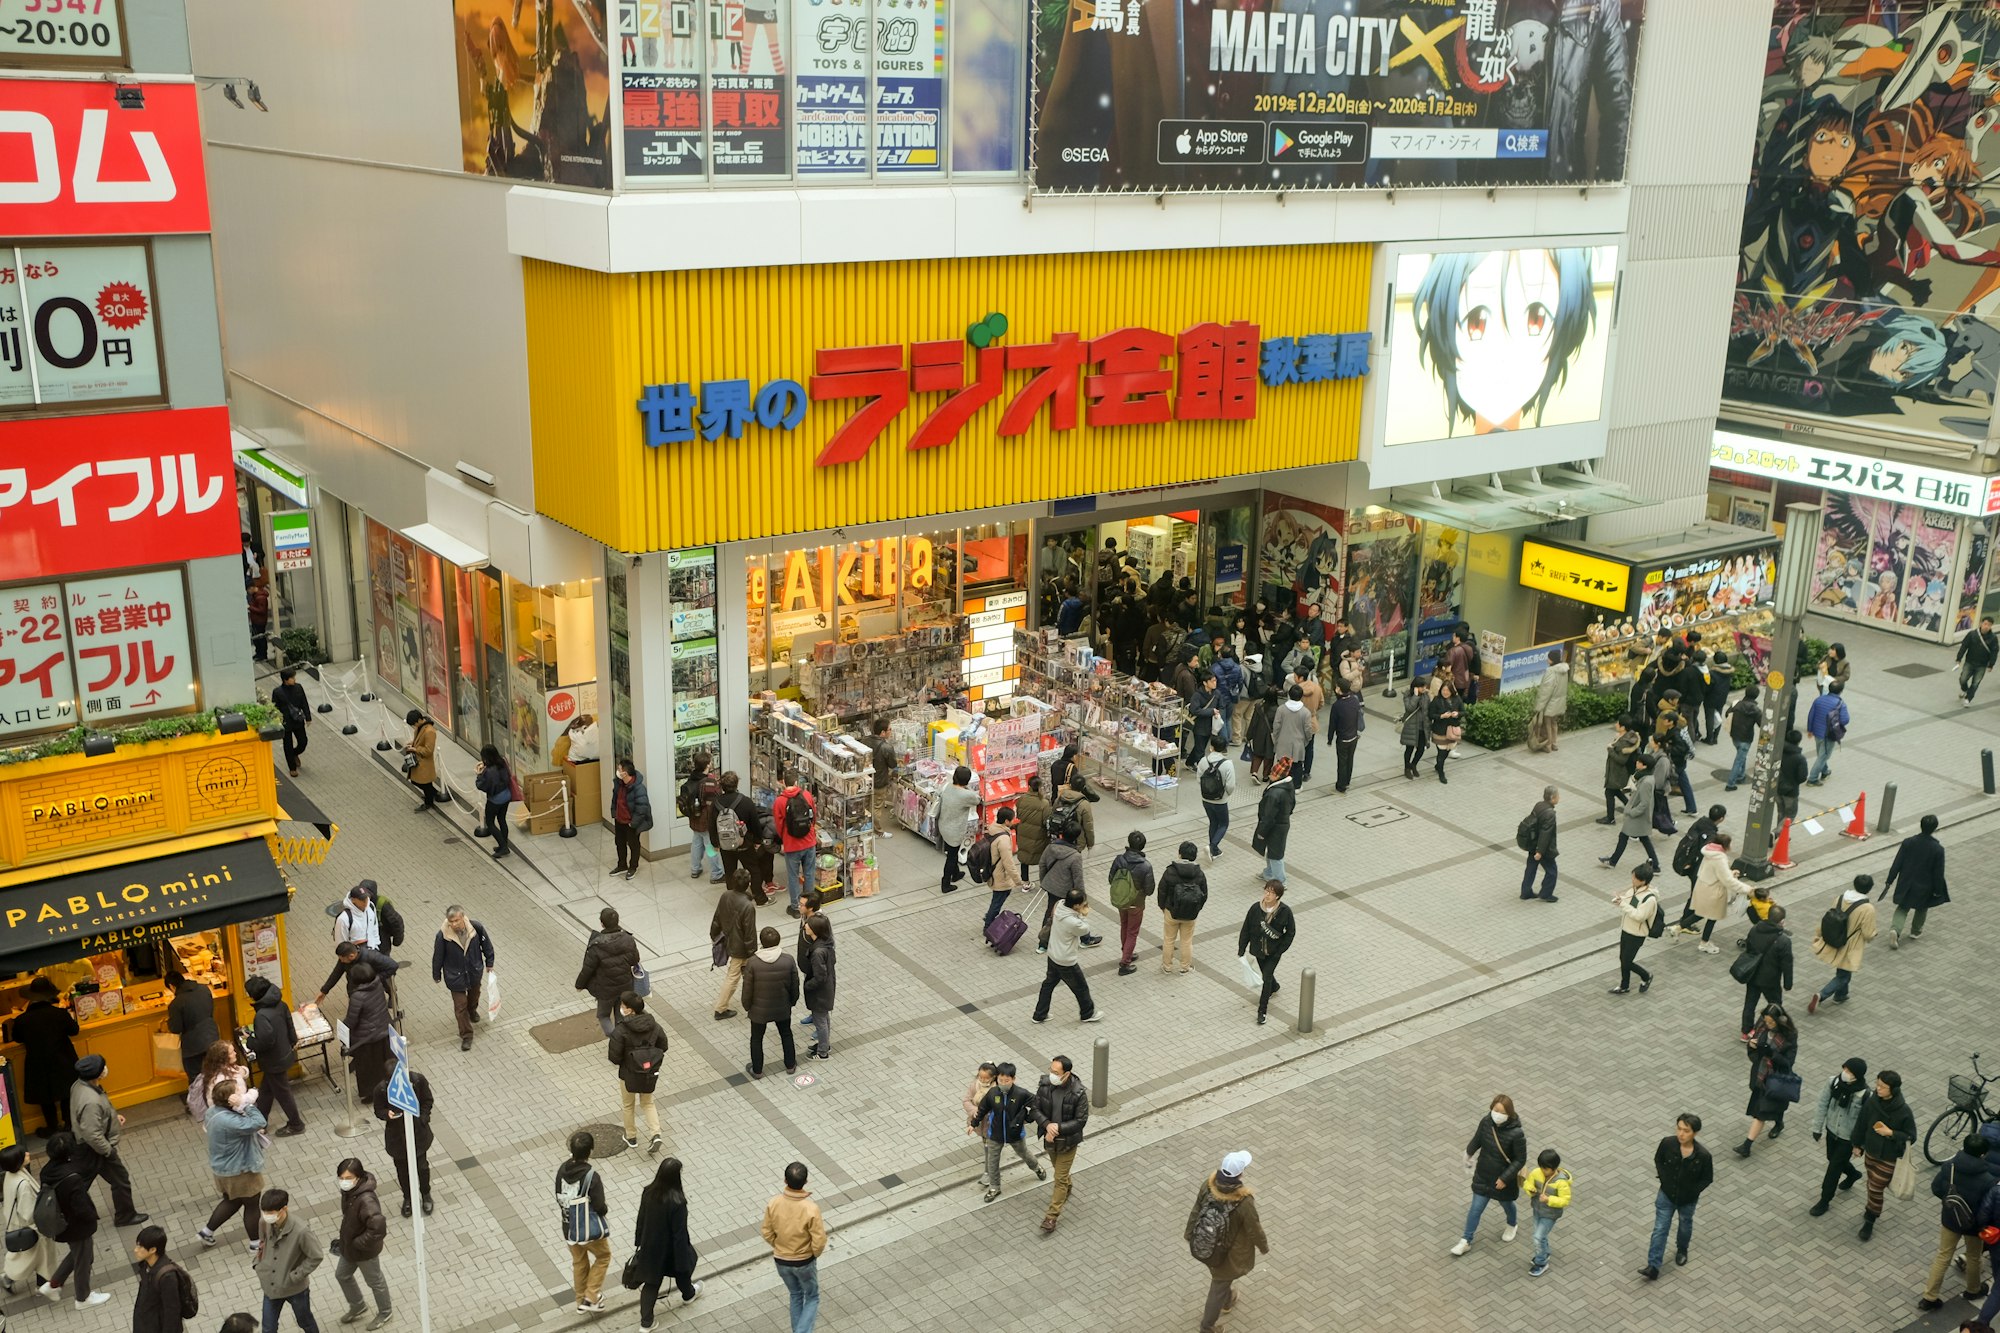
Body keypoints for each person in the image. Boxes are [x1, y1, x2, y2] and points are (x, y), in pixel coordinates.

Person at [1187, 1150, 1269, 1331]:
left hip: (1205, 1243)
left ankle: (1228, 1299)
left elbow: (1196, 1210)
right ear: (1240, 1174)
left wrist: (1190, 1235)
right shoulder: (1243, 1201)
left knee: (1222, 1280)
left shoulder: (1207, 1186)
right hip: (1227, 1253)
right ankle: (1207, 1327)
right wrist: (1263, 1246)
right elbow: (1254, 1228)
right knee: (1218, 1286)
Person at [1918, 1135, 1996, 1310]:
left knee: (1943, 1255)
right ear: (1983, 1154)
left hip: (1950, 1218)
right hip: (1974, 1225)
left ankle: (1929, 1298)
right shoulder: (1987, 1180)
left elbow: (1936, 1188)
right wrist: (1982, 1224)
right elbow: (1987, 1209)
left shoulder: (1949, 1167)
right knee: (1974, 1256)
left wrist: (1950, 1204)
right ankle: (1973, 1289)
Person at [68, 1054, 145, 1225]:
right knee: (120, 1178)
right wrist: (107, 1151)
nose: (105, 1069)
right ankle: (125, 1216)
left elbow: (92, 1118)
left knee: (81, 1183)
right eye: (103, 1067)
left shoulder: (79, 1085)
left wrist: (112, 1117)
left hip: (85, 1147)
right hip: (95, 1149)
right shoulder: (91, 1101)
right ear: (96, 1074)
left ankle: (68, 1213)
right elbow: (92, 1133)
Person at [632, 1157, 702, 1329]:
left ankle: (646, 1323)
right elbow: (679, 1234)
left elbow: (641, 1218)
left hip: (651, 1246)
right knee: (683, 1272)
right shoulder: (678, 1201)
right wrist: (681, 1259)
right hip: (670, 1249)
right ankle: (688, 1294)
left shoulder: (648, 1192)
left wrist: (639, 1240)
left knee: (652, 1283)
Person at [1642, 1113, 1714, 1278]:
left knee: (1684, 1225)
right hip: (1666, 1195)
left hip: (1687, 1200)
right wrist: (1664, 1179)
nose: (1681, 1134)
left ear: (1695, 1133)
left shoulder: (1703, 1155)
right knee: (1660, 1229)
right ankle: (1653, 1266)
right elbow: (1658, 1159)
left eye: (1686, 1131)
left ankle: (1682, 1248)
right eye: (1679, 1129)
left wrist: (1693, 1191)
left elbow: (1707, 1178)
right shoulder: (1668, 1143)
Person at [1452, 1094, 1526, 1255]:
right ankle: (1466, 1240)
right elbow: (1477, 1139)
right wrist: (1468, 1154)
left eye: (1501, 1111)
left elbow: (1520, 1160)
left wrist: (1505, 1178)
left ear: (1509, 1113)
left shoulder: (1517, 1133)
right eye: (1495, 1109)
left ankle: (1512, 1224)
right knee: (1475, 1209)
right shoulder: (1486, 1122)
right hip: (1484, 1175)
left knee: (1507, 1204)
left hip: (1502, 1179)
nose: (1497, 1114)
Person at [196, 1079, 266, 1248]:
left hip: (223, 1169)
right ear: (230, 1098)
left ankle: (207, 1232)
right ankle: (256, 1243)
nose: (242, 1093)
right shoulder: (229, 1121)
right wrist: (245, 1105)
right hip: (240, 1170)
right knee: (251, 1203)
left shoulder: (213, 1111)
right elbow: (259, 1122)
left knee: (232, 1200)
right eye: (238, 1091)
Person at [1852, 1069, 1918, 1241]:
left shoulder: (1904, 1110)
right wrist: (1857, 1144)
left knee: (1875, 1187)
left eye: (1882, 1086)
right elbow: (1862, 1122)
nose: (1878, 1088)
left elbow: (1911, 1136)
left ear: (1893, 1089)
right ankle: (1871, 1209)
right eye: (1877, 1084)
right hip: (1872, 1152)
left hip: (1889, 1157)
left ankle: (1870, 1219)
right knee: (1872, 1184)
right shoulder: (1873, 1101)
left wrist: (1892, 1133)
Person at [762, 1168, 830, 1333]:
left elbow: (767, 1232)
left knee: (795, 1294)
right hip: (804, 1261)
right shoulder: (810, 1208)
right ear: (805, 1182)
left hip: (781, 1260)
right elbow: (819, 1240)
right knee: (812, 1297)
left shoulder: (774, 1203)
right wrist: (813, 1253)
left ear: (785, 1180)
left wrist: (779, 1246)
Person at [328, 1159, 391, 1330]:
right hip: (349, 1247)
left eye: (348, 1177)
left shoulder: (366, 1200)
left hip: (364, 1251)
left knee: (375, 1281)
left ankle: (385, 1312)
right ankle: (358, 1305)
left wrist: (358, 1242)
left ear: (359, 1177)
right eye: (341, 1177)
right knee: (342, 1275)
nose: (344, 1181)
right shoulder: (350, 1192)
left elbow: (378, 1228)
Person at [970, 1063, 1046, 1203]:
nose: (1003, 1083)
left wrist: (1028, 1118)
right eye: (1000, 1080)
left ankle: (1037, 1167)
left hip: (1015, 1133)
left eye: (1007, 1081)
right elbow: (982, 1110)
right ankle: (994, 1187)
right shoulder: (992, 1093)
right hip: (995, 1133)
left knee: (1024, 1153)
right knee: (993, 1161)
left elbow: (1037, 1104)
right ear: (996, 1078)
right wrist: (973, 1124)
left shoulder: (1021, 1093)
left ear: (1013, 1079)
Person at [12, 977, 79, 1135]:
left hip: (37, 1062)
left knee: (45, 1096)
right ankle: (69, 1123)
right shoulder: (59, 1014)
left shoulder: (22, 1020)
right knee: (66, 1091)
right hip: (62, 1058)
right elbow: (74, 1030)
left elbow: (17, 1037)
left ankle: (52, 1126)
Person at [1032, 1055, 1090, 1233]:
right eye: (1051, 1070)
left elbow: (1080, 1121)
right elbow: (1035, 1109)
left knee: (1058, 1178)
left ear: (1067, 1073)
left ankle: (1052, 1216)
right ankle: (1067, 1185)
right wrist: (1047, 1125)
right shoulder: (1045, 1086)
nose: (1052, 1075)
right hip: (1050, 1140)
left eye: (1056, 1072)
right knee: (1060, 1173)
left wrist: (1058, 1128)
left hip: (1067, 1142)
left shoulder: (1078, 1093)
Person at [1808, 874, 1879, 1015]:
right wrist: (1873, 934)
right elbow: (1867, 933)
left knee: (1843, 969)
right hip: (1850, 944)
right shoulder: (1867, 908)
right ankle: (1821, 995)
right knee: (1844, 976)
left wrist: (1819, 933)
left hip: (1834, 938)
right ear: (1869, 889)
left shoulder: (1840, 898)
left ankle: (1840, 995)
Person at [556, 1132, 611, 1313]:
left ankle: (581, 1300)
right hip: (588, 1229)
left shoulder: (562, 1170)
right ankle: (591, 1295)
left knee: (579, 1262)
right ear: (591, 1151)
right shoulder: (591, 1176)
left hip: (568, 1227)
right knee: (603, 1257)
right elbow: (600, 1206)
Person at [252, 1188, 321, 1332]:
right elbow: (262, 1244)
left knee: (305, 1322)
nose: (266, 1216)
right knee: (268, 1328)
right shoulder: (263, 1222)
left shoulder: (301, 1231)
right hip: (270, 1286)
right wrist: (258, 1264)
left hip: (295, 1288)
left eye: (270, 1213)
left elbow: (316, 1256)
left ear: (284, 1209)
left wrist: (295, 1276)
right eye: (264, 1212)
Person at [1735, 1003, 1799, 1156]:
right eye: (1766, 1021)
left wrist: (1771, 1054)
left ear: (1780, 1020)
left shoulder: (1789, 1036)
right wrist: (1752, 1045)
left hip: (1776, 1077)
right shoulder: (1762, 1027)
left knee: (1760, 1113)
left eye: (1771, 1022)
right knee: (1770, 1104)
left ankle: (1747, 1146)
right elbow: (1754, 1047)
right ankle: (1779, 1122)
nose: (1768, 1024)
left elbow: (1788, 1062)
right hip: (1760, 1074)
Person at [240, 978, 302, 1135]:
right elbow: (290, 1025)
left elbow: (265, 1041)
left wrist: (250, 1041)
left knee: (283, 1094)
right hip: (284, 1054)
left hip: (273, 1060)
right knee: (266, 1090)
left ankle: (296, 1124)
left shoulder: (261, 1015)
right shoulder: (281, 1004)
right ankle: (261, 1122)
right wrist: (293, 1042)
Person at [1808, 1057, 1869, 1216]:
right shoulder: (1833, 1083)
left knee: (1833, 1169)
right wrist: (1817, 1127)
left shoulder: (1865, 1094)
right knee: (1831, 1158)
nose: (1845, 1073)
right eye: (1845, 1069)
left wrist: (1859, 1146)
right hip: (1832, 1131)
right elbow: (1822, 1104)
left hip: (1848, 1139)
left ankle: (1824, 1200)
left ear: (1857, 1075)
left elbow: (1865, 1122)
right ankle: (1853, 1174)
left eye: (1849, 1071)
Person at [608, 991, 667, 1153]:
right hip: (648, 1072)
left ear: (630, 1010)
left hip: (628, 1074)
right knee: (648, 1103)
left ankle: (631, 1136)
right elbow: (664, 1045)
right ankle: (656, 1134)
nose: (621, 1008)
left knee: (628, 1105)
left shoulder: (621, 1030)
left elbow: (614, 1057)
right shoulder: (654, 1025)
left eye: (623, 1006)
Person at [432, 904, 495, 1053]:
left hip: (473, 971)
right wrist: (436, 974)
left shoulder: (476, 928)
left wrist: (489, 962)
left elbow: (487, 945)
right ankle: (466, 1035)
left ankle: (472, 1010)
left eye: (456, 921)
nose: (453, 924)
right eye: (450, 921)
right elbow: (438, 956)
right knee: (460, 1007)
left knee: (474, 996)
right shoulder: (442, 936)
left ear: (463, 917)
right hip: (455, 976)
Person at [1880, 814, 1949, 947]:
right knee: (1922, 908)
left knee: (1903, 908)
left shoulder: (1908, 842)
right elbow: (1938, 873)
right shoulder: (1938, 849)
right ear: (1935, 828)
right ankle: (1915, 931)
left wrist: (1890, 880)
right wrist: (1938, 890)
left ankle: (1895, 929)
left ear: (1920, 825)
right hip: (1925, 885)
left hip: (1906, 882)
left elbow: (1897, 863)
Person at [1033, 889, 1101, 1024]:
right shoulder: (1073, 922)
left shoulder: (1059, 905)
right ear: (1076, 906)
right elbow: (1085, 929)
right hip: (1066, 960)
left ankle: (1039, 1014)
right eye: (1083, 904)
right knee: (1081, 987)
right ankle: (1087, 1013)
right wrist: (1083, 915)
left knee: (1048, 984)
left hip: (1053, 954)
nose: (1085, 906)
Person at [373, 1066, 433, 1218]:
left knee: (422, 1167)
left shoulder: (417, 1081)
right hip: (396, 1137)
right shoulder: (381, 1090)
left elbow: (427, 1100)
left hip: (418, 1133)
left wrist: (423, 1118)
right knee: (402, 1170)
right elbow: (378, 1110)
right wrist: (387, 1114)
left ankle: (425, 1193)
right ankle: (408, 1197)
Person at [742, 926, 799, 1079]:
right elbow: (795, 984)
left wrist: (747, 1006)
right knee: (786, 1034)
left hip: (759, 1010)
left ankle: (758, 1070)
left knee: (756, 1038)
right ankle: (790, 1064)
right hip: (782, 1007)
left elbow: (747, 988)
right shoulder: (788, 960)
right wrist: (792, 1002)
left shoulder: (753, 963)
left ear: (761, 942)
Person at [1238, 880, 1296, 1026]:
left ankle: (1262, 1011)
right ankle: (1274, 987)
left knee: (1266, 976)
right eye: (1266, 891)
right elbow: (1246, 929)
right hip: (1258, 950)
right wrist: (1241, 948)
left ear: (1277, 896)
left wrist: (1281, 949)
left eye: (1271, 892)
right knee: (1266, 973)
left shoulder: (1285, 911)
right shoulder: (1255, 909)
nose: (1267, 895)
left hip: (1274, 951)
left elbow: (1290, 932)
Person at [577, 906, 642, 1036]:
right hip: (625, 985)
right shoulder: (628, 938)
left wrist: (579, 985)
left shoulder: (597, 944)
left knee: (603, 1015)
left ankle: (616, 1040)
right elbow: (635, 960)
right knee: (621, 1014)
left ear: (602, 923)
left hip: (605, 989)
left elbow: (588, 969)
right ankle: (622, 1037)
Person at [1682, 829, 1747, 953]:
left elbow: (1717, 872)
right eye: (1730, 843)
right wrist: (1747, 889)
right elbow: (1727, 880)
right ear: (1724, 845)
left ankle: (1678, 927)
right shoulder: (1720, 858)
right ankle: (1704, 943)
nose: (1732, 846)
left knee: (1702, 914)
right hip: (1715, 891)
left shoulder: (1710, 853)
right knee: (1712, 917)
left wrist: (1730, 873)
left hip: (1705, 888)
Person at [1738, 904, 1795, 1039]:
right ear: (1781, 921)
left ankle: (1746, 1032)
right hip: (1771, 979)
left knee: (1750, 1003)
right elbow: (1787, 964)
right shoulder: (1783, 941)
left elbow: (1749, 950)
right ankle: (1772, 1029)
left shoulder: (1754, 930)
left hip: (1753, 974)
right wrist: (1788, 983)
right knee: (1775, 1005)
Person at [343, 962, 392, 1110]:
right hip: (383, 1030)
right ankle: (389, 1089)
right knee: (383, 1064)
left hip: (366, 1037)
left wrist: (343, 1031)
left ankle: (372, 1094)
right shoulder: (377, 984)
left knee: (369, 1069)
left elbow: (352, 1020)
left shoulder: (358, 996)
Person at [1599, 755, 1661, 873]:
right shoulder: (1644, 777)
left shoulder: (1646, 782)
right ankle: (1655, 865)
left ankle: (1613, 861)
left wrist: (1631, 813)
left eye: (1639, 762)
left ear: (1644, 765)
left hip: (1638, 817)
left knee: (1625, 836)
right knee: (1642, 839)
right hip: (1638, 817)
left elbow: (1644, 803)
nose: (1636, 763)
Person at [1107, 831, 1155, 976]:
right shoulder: (1146, 866)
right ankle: (1125, 962)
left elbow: (1111, 879)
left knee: (1125, 926)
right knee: (1132, 932)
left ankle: (1126, 951)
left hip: (1121, 900)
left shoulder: (1119, 859)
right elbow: (1150, 889)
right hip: (1136, 903)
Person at [1520, 1148, 1573, 1279]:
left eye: (1545, 1169)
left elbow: (1565, 1200)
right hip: (1537, 1209)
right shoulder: (1536, 1173)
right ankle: (1545, 1252)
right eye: (1541, 1167)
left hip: (1550, 1214)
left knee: (1537, 1237)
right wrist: (1530, 1190)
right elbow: (1527, 1183)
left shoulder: (1561, 1182)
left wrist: (1549, 1199)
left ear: (1553, 1168)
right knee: (1541, 1236)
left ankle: (1541, 1262)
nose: (1543, 1171)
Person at [1158, 839, 1208, 974]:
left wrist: (1163, 907)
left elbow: (1162, 891)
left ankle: (1167, 966)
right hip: (1190, 913)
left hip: (1171, 911)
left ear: (1179, 854)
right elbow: (1204, 895)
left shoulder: (1170, 871)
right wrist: (1196, 908)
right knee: (1186, 941)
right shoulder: (1199, 873)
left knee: (1169, 939)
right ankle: (1184, 967)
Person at [130, 1224, 191, 1333]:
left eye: (140, 1247)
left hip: (156, 1326)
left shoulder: (167, 1276)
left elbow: (172, 1311)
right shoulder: (145, 1265)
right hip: (145, 1321)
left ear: (153, 1249)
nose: (135, 1250)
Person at [772, 773, 819, 913]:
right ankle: (809, 905)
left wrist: (783, 838)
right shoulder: (807, 795)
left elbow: (779, 824)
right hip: (809, 841)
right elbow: (814, 816)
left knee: (793, 876)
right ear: (797, 782)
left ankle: (796, 907)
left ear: (783, 783)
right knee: (809, 873)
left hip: (791, 844)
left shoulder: (779, 801)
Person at [1609, 865, 1659, 995]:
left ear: (1643, 881)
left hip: (1636, 933)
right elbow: (1628, 903)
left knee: (1627, 961)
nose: (1632, 879)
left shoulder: (1650, 899)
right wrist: (1620, 900)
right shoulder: (1634, 889)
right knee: (1623, 958)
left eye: (1635, 878)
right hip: (1626, 929)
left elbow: (1639, 916)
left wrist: (1622, 904)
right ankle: (1624, 985)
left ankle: (1646, 976)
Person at [164, 970, 221, 1084]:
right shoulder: (204, 989)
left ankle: (200, 1100)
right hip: (212, 1036)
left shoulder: (176, 1004)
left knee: (196, 1079)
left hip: (193, 1046)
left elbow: (176, 1028)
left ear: (171, 986)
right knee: (216, 1073)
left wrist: (168, 1023)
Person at [675, 750, 724, 882]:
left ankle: (695, 869)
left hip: (694, 817)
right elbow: (715, 800)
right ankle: (717, 873)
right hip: (705, 819)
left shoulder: (692, 778)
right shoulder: (707, 782)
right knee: (710, 846)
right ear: (707, 765)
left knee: (697, 843)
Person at [1252, 756, 1296, 884]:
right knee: (1273, 851)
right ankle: (1269, 873)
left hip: (1274, 826)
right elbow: (1292, 804)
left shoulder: (1274, 793)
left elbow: (1268, 816)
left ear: (1279, 776)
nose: (1270, 775)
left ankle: (1281, 881)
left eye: (1273, 773)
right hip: (1282, 824)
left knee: (1276, 855)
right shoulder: (1288, 786)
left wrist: (1261, 831)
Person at [935, 765, 979, 896]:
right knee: (952, 857)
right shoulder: (966, 795)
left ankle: (956, 873)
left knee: (950, 852)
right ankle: (946, 883)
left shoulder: (948, 787)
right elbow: (977, 799)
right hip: (955, 830)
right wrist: (967, 787)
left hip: (943, 825)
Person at [980, 810, 1024, 936]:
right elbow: (1008, 863)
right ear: (1006, 821)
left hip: (993, 871)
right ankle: (988, 924)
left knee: (998, 898)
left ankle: (989, 917)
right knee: (998, 900)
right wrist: (1018, 880)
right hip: (1000, 875)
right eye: (1012, 819)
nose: (1013, 821)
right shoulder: (1003, 839)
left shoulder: (993, 828)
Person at [610, 758, 655, 880]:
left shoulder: (639, 788)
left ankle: (633, 867)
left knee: (634, 845)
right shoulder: (618, 784)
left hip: (631, 823)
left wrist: (633, 823)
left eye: (619, 769)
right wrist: (614, 813)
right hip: (619, 820)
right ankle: (622, 865)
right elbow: (615, 800)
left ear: (625, 773)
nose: (617, 771)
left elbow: (642, 808)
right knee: (619, 843)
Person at [800, 915, 835, 1061]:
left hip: (820, 992)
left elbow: (819, 976)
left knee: (820, 1020)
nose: (805, 926)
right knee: (824, 1017)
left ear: (815, 929)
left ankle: (822, 1052)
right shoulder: (826, 944)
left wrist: (808, 985)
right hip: (827, 988)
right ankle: (824, 1045)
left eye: (808, 925)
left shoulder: (817, 952)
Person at [1195, 736, 1236, 859]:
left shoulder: (1203, 761)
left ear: (1211, 747)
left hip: (1206, 798)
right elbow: (1231, 785)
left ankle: (1215, 850)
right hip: (1220, 800)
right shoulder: (1227, 764)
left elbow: (1199, 779)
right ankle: (1212, 846)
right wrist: (1226, 794)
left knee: (1213, 822)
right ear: (1224, 748)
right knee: (1223, 823)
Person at [1520, 785, 1560, 902]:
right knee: (1552, 871)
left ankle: (1525, 892)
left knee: (1531, 868)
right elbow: (1545, 833)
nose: (1559, 798)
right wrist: (1540, 851)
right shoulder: (1550, 814)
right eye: (1558, 796)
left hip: (1532, 843)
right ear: (1552, 798)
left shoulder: (1539, 805)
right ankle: (1546, 893)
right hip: (1543, 848)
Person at [1805, 680, 1849, 786]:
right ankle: (1812, 778)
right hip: (1829, 734)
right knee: (1823, 756)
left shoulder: (1819, 700)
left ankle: (1825, 772)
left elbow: (1811, 716)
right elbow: (1845, 720)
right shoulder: (1840, 704)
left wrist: (1810, 730)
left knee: (1821, 753)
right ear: (1841, 691)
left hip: (1817, 732)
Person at [473, 744, 514, 858]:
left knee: (490, 823)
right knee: (502, 820)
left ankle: (503, 847)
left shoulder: (489, 771)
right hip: (506, 795)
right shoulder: (503, 762)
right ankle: (503, 845)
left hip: (495, 800)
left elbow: (482, 785)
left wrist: (479, 775)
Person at [270, 666, 311, 777]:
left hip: (297, 720)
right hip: (285, 722)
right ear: (285, 680)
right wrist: (276, 721)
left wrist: (308, 717)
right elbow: (274, 708)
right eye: (292, 678)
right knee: (287, 744)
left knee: (303, 742)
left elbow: (304, 702)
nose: (294, 680)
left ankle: (294, 753)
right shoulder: (277, 692)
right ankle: (292, 768)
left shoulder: (298, 688)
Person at [396, 710, 440, 811]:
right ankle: (432, 794)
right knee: (422, 782)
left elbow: (428, 750)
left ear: (420, 720)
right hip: (419, 761)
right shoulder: (420, 727)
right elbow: (419, 740)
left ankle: (429, 800)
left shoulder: (429, 731)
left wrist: (415, 749)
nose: (414, 726)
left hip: (424, 762)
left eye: (414, 724)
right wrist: (412, 744)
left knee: (423, 783)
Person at [1600, 715, 1642, 822]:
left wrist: (1610, 749)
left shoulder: (1625, 741)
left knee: (1609, 792)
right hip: (1615, 771)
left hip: (1618, 772)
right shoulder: (1623, 737)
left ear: (1623, 727)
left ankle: (1610, 818)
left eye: (1618, 723)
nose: (1615, 725)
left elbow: (1621, 760)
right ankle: (1631, 808)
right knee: (1615, 791)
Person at [1526, 649, 1569, 752]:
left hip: (1550, 702)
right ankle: (1554, 743)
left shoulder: (1551, 671)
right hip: (1559, 701)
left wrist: (1539, 706)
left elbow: (1546, 691)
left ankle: (1548, 745)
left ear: (1552, 660)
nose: (1547, 659)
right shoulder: (1564, 670)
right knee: (1554, 722)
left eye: (1549, 658)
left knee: (1547, 723)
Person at [1268, 684, 1314, 779]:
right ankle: (1296, 786)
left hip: (1283, 742)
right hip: (1298, 743)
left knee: (1282, 766)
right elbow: (1308, 730)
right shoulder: (1306, 712)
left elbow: (1276, 726)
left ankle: (1281, 785)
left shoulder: (1281, 709)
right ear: (1301, 696)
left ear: (1289, 694)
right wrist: (1307, 740)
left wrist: (1275, 739)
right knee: (1297, 766)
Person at [1327, 679, 1363, 792]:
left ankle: (1341, 785)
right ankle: (1347, 781)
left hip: (1342, 739)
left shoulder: (1337, 705)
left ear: (1340, 690)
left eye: (1337, 687)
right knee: (1350, 760)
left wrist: (1330, 739)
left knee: (1342, 762)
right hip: (1353, 736)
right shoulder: (1355, 700)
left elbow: (1332, 724)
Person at [1013, 778, 1050, 886]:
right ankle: (1044, 882)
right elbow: (1046, 821)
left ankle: (1025, 882)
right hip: (1038, 834)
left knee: (1024, 857)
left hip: (1023, 832)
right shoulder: (1044, 803)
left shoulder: (1021, 799)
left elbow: (1018, 815)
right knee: (1043, 859)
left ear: (1028, 786)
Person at [1724, 682, 1761, 791]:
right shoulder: (1755, 709)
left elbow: (1727, 713)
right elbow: (1762, 723)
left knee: (1741, 755)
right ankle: (1730, 784)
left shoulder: (1737, 704)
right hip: (1746, 737)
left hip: (1734, 735)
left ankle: (1741, 775)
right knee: (1739, 759)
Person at [865, 719, 898, 838]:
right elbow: (893, 764)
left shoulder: (865, 740)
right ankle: (878, 831)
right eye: (889, 730)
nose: (891, 732)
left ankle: (864, 828)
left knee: (865, 805)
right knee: (876, 807)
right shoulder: (887, 747)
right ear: (883, 733)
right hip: (879, 782)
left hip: (865, 780)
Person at [1427, 678, 1464, 782]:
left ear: (1451, 691)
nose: (1445, 692)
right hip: (1440, 730)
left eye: (1447, 690)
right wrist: (1441, 716)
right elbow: (1431, 714)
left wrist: (1458, 714)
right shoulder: (1436, 700)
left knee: (1447, 751)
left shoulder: (1457, 699)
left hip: (1452, 730)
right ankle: (1441, 772)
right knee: (1441, 752)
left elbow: (1463, 711)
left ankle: (1438, 765)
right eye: (1443, 690)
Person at [1957, 614, 1997, 704]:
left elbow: (1994, 651)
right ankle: (1965, 689)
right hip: (1969, 662)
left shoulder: (1993, 638)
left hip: (1982, 665)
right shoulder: (1972, 634)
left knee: (1975, 683)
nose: (1987, 626)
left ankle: (1968, 698)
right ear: (1981, 623)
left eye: (1989, 625)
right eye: (1985, 624)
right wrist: (1959, 658)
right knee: (1963, 679)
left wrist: (1991, 664)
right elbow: (1964, 646)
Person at [1398, 676, 1432, 780]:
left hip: (1423, 727)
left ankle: (1413, 764)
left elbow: (1428, 710)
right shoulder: (1408, 695)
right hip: (1412, 726)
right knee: (1409, 749)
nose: (1424, 688)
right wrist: (1416, 696)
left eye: (1424, 686)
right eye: (1422, 687)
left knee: (1421, 749)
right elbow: (1410, 708)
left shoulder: (1426, 696)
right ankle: (1407, 768)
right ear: (1416, 687)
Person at [246, 578, 270, 662]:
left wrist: (250, 607)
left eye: (248, 590)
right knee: (256, 638)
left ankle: (262, 654)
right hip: (256, 620)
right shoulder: (256, 596)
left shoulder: (260, 597)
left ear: (251, 588)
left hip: (260, 621)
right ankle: (259, 653)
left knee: (260, 638)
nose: (248, 592)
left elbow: (262, 610)